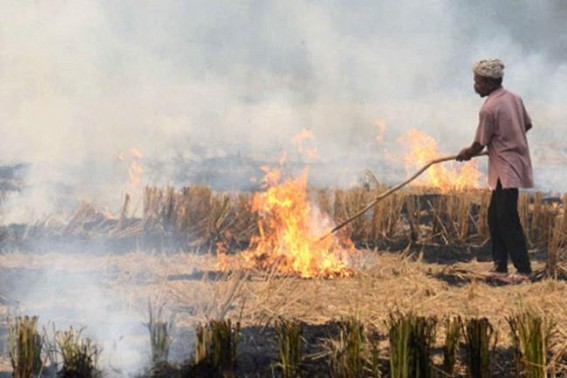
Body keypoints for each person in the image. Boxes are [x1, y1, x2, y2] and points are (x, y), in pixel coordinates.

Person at [457, 58, 533, 284]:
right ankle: (500, 267)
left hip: (507, 167)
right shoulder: (514, 98)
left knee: (507, 217)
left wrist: (466, 153)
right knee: (495, 216)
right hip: (509, 163)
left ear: (489, 83)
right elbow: (526, 125)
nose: (475, 85)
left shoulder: (489, 108)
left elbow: (480, 143)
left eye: (477, 81)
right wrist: (509, 138)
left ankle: (523, 271)